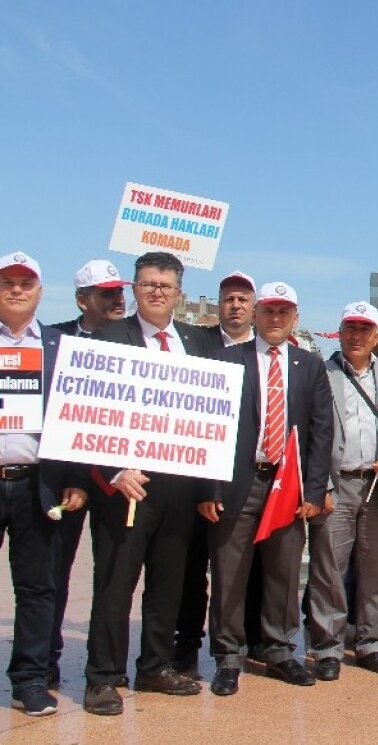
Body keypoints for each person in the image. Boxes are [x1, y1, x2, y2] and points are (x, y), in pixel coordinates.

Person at [83, 252, 221, 716]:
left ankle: (154, 666)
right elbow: (87, 413)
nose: (156, 291)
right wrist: (114, 470)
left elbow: (213, 418)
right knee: (116, 584)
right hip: (128, 485)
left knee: (169, 584)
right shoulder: (108, 338)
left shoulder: (199, 343)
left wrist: (207, 487)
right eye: (147, 284)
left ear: (178, 292)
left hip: (181, 486)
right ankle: (103, 677)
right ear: (134, 290)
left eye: (164, 284)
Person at [201, 282, 334, 697]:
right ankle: (228, 658)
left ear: (295, 318)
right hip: (238, 483)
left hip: (287, 486)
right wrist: (210, 487)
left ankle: (279, 650)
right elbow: (211, 427)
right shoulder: (227, 359)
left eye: (284, 312)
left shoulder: (310, 366)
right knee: (229, 572)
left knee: (283, 571)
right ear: (257, 314)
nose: (276, 319)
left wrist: (312, 492)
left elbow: (321, 432)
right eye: (269, 311)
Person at [0, 251, 88, 716]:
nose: (16, 289)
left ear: (39, 292)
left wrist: (74, 478)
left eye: (25, 283)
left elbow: (74, 417)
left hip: (38, 483)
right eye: (7, 282)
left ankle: (30, 680)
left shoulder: (58, 346)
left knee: (38, 588)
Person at [307, 301, 378, 680]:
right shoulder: (322, 373)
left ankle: (371, 643)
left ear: (377, 334)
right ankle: (328, 647)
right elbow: (314, 432)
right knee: (329, 568)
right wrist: (321, 486)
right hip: (339, 484)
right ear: (341, 331)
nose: (358, 336)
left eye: (366, 329)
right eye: (352, 328)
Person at [46, 258, 127, 687]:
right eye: (107, 293)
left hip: (118, 482)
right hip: (66, 481)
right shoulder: (53, 341)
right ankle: (45, 660)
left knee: (112, 578)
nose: (118, 299)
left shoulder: (135, 341)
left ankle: (105, 667)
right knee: (52, 575)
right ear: (83, 299)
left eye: (120, 292)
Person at [175, 268, 258, 671]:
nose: (236, 305)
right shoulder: (195, 344)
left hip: (250, 480)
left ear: (255, 307)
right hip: (198, 479)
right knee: (192, 568)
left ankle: (253, 641)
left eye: (243, 299)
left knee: (249, 567)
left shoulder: (269, 351)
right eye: (229, 298)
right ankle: (187, 644)